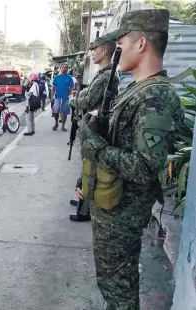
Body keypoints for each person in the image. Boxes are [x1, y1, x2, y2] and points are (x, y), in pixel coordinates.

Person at [79, 9, 183, 309]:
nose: (117, 49)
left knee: (119, 288)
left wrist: (96, 146)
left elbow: (144, 167)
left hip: (124, 213)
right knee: (112, 284)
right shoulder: (137, 90)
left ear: (141, 44)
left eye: (122, 41)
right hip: (112, 207)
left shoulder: (155, 98)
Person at [68, 34, 119, 222]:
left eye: (95, 51)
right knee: (86, 164)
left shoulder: (107, 75)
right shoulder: (104, 73)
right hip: (91, 124)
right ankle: (83, 195)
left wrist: (73, 101)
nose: (93, 55)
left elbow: (89, 100)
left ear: (104, 51)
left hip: (95, 127)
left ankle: (86, 206)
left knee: (91, 165)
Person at [51, 63, 74, 131]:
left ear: (67, 69)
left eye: (66, 67)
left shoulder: (69, 77)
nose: (64, 68)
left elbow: (72, 88)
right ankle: (56, 123)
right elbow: (53, 88)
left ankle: (63, 126)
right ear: (60, 68)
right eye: (63, 67)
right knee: (56, 111)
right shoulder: (57, 77)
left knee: (65, 112)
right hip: (57, 97)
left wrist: (72, 96)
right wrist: (52, 97)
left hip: (66, 98)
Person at [24, 72, 39, 136]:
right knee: (32, 117)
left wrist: (25, 89)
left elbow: (28, 95)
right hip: (34, 103)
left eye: (30, 77)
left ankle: (30, 131)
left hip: (30, 103)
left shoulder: (33, 85)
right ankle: (32, 130)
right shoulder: (36, 84)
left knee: (28, 117)